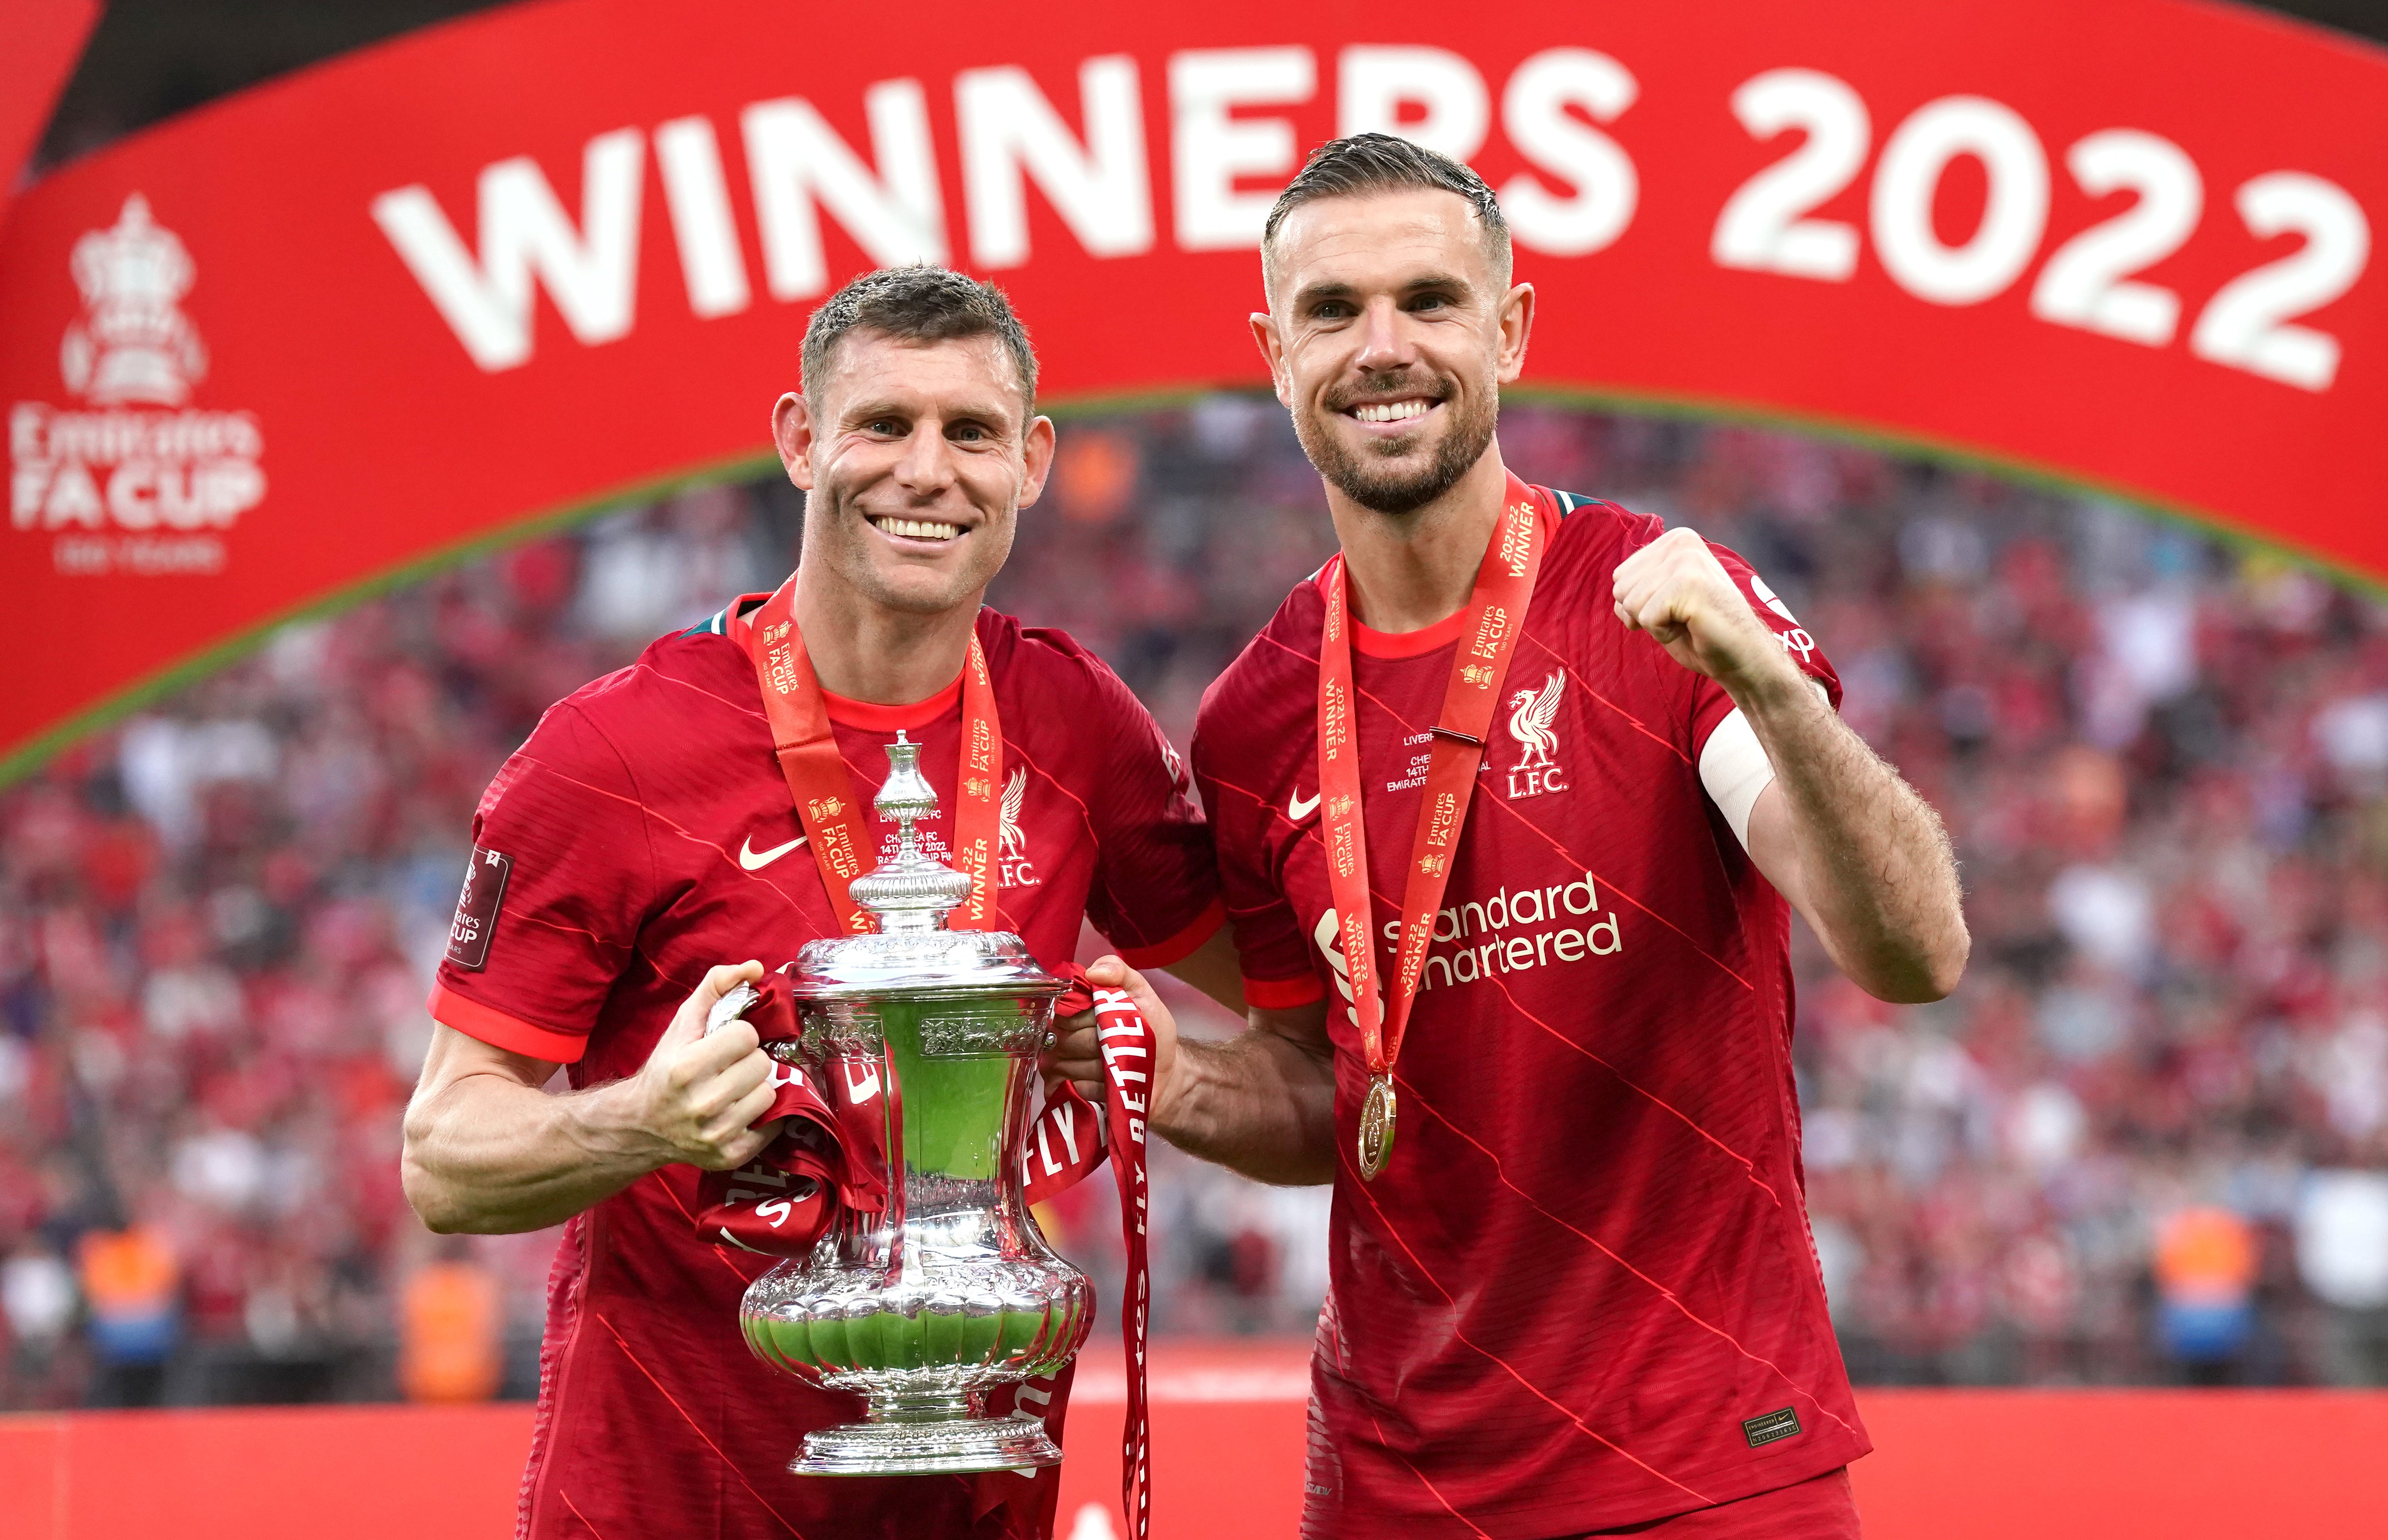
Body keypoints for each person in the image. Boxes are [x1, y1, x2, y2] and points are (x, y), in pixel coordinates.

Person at [1050, 135, 1969, 1537]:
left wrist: (1772, 687)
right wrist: (1178, 1081)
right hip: (1394, 1488)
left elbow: (1913, 951)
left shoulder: (1654, 607)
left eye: (1428, 300)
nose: (1383, 347)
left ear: (1510, 329)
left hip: (1705, 1468)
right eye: (1332, 310)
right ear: (1274, 353)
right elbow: (1328, 1093)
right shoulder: (1253, 721)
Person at [401, 265, 1240, 1540]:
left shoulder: (1077, 725)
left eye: (970, 432)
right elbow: (444, 1157)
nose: (926, 470)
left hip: (976, 1500)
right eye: (883, 424)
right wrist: (644, 1120)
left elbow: (1295, 1023)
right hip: (670, 1511)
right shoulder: (611, 754)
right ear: (800, 440)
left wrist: (1166, 1073)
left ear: (1031, 461)